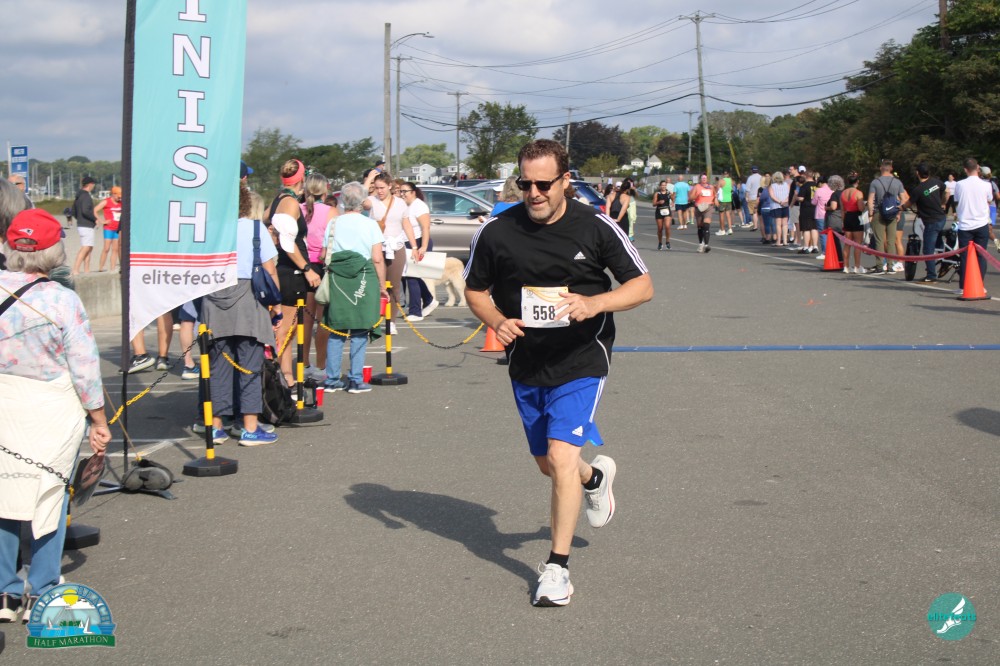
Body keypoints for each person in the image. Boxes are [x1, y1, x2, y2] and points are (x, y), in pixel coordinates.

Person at [464, 139, 653, 607]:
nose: (533, 193)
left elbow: (642, 285)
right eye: (525, 183)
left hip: (582, 356)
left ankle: (557, 569)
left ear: (565, 181)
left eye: (543, 184)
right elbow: (475, 290)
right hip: (527, 360)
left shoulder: (595, 226)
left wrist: (595, 303)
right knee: (548, 465)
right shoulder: (496, 231)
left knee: (560, 455)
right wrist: (496, 320)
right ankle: (594, 480)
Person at [0, 208, 110, 623]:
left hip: (4, 402)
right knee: (49, 493)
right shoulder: (62, 300)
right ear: (53, 252)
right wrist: (98, 420)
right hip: (50, 406)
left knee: (5, 493)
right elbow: (85, 367)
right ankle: (42, 587)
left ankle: (5, 592)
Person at [201, 186, 280, 446]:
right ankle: (249, 427)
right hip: (249, 299)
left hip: (214, 297)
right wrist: (277, 307)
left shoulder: (210, 229)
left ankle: (216, 427)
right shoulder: (256, 229)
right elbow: (270, 270)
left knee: (218, 366)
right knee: (250, 365)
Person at [322, 182, 387, 394]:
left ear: (342, 200)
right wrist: (382, 285)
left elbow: (324, 254)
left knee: (336, 330)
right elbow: (377, 258)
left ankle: (332, 379)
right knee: (360, 329)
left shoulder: (333, 223)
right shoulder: (370, 225)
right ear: (362, 201)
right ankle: (355, 379)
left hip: (338, 278)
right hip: (364, 277)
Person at [267, 159, 321, 388]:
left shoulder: (278, 199)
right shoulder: (289, 202)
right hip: (291, 271)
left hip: (286, 269)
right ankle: (277, 377)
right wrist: (307, 269)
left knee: (287, 330)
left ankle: (287, 376)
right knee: (284, 329)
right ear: (302, 179)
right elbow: (288, 243)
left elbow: (267, 225)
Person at [363, 171, 416, 329]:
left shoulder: (400, 203)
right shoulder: (372, 201)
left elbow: (406, 224)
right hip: (377, 248)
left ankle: (391, 321)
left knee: (394, 285)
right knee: (375, 284)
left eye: (382, 188)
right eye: (377, 188)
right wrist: (369, 180)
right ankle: (375, 319)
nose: (379, 191)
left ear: (390, 186)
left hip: (396, 246)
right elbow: (360, 200)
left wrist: (414, 246)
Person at [300, 173, 337, 382]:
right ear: (325, 189)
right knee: (323, 320)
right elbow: (333, 241)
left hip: (304, 266)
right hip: (323, 266)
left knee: (306, 319)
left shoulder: (298, 209)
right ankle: (321, 365)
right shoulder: (331, 211)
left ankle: (304, 363)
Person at [953, 157, 994, 293]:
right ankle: (979, 285)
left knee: (965, 257)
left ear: (965, 169)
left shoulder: (960, 184)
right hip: (981, 223)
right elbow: (989, 199)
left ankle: (964, 286)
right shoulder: (986, 185)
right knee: (981, 255)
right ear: (977, 168)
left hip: (965, 224)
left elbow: (957, 200)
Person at [400, 183, 438, 321]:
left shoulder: (419, 206)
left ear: (413, 192)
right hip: (408, 243)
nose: (402, 194)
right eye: (401, 191)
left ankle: (415, 312)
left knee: (412, 277)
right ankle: (428, 300)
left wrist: (423, 246)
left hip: (419, 242)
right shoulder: (405, 206)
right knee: (411, 276)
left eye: (405, 191)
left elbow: (425, 227)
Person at [906, 164, 948, 283]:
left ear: (917, 173)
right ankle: (944, 259)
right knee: (937, 242)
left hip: (931, 221)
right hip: (941, 218)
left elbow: (909, 203)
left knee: (928, 249)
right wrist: (943, 203)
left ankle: (931, 275)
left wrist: (900, 207)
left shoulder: (918, 190)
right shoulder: (936, 182)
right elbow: (947, 191)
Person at [867, 159, 909, 274]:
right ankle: (890, 266)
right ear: (891, 169)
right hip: (892, 213)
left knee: (879, 240)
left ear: (881, 168)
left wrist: (870, 214)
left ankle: (880, 266)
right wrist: (898, 212)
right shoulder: (897, 182)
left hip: (878, 212)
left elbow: (870, 201)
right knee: (891, 240)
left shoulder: (875, 182)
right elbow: (904, 199)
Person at [70, 176, 99, 275]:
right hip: (86, 225)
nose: (93, 186)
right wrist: (95, 219)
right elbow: (85, 211)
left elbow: (73, 211)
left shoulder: (78, 196)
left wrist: (79, 219)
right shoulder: (86, 196)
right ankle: (75, 269)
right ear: (90, 184)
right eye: (93, 184)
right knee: (86, 247)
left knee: (89, 247)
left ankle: (87, 269)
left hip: (82, 224)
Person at [840, 173, 866, 274]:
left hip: (847, 217)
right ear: (857, 182)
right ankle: (857, 266)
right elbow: (860, 208)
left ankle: (846, 266)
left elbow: (842, 210)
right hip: (856, 217)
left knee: (847, 243)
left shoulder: (843, 193)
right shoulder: (858, 193)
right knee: (857, 244)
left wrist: (843, 221)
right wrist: (864, 205)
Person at [97, 186, 122, 272]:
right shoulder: (106, 202)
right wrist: (101, 221)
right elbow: (95, 210)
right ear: (113, 194)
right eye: (118, 196)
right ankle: (101, 267)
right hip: (108, 228)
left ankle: (112, 268)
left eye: (120, 197)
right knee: (106, 248)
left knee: (115, 249)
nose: (119, 198)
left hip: (117, 229)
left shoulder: (121, 203)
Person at [692, 174, 717, 253]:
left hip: (708, 207)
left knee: (706, 225)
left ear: (707, 179)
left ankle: (706, 245)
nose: (704, 179)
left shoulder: (711, 187)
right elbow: (691, 198)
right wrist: (697, 195)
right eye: (702, 178)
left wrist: (716, 200)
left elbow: (715, 195)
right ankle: (700, 244)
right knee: (700, 226)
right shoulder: (697, 187)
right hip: (699, 207)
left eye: (705, 178)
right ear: (700, 179)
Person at [769, 171, 790, 247]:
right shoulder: (787, 185)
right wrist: (785, 201)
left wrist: (779, 201)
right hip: (785, 205)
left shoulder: (772, 186)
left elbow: (772, 196)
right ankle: (785, 241)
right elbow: (789, 195)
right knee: (785, 224)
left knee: (778, 224)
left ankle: (778, 241)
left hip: (776, 206)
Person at [652, 180, 672, 250]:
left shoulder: (669, 193)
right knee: (660, 228)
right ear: (660, 186)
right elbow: (653, 204)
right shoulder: (657, 193)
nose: (663, 186)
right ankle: (660, 243)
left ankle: (667, 241)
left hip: (667, 211)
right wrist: (658, 202)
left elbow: (673, 199)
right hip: (659, 211)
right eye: (662, 185)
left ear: (666, 186)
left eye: (665, 185)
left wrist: (673, 201)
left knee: (667, 226)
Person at [715, 169, 734, 236]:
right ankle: (730, 229)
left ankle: (722, 230)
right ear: (728, 174)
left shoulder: (721, 181)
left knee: (721, 215)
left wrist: (716, 199)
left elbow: (717, 190)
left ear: (722, 174)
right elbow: (732, 189)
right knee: (728, 215)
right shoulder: (731, 181)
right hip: (729, 199)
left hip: (722, 200)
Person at [745, 166, 762, 232]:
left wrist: (746, 197)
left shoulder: (750, 178)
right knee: (759, 213)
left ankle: (755, 226)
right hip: (760, 197)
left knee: (754, 212)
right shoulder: (761, 177)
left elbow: (747, 189)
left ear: (752, 171)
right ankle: (761, 225)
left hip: (752, 197)